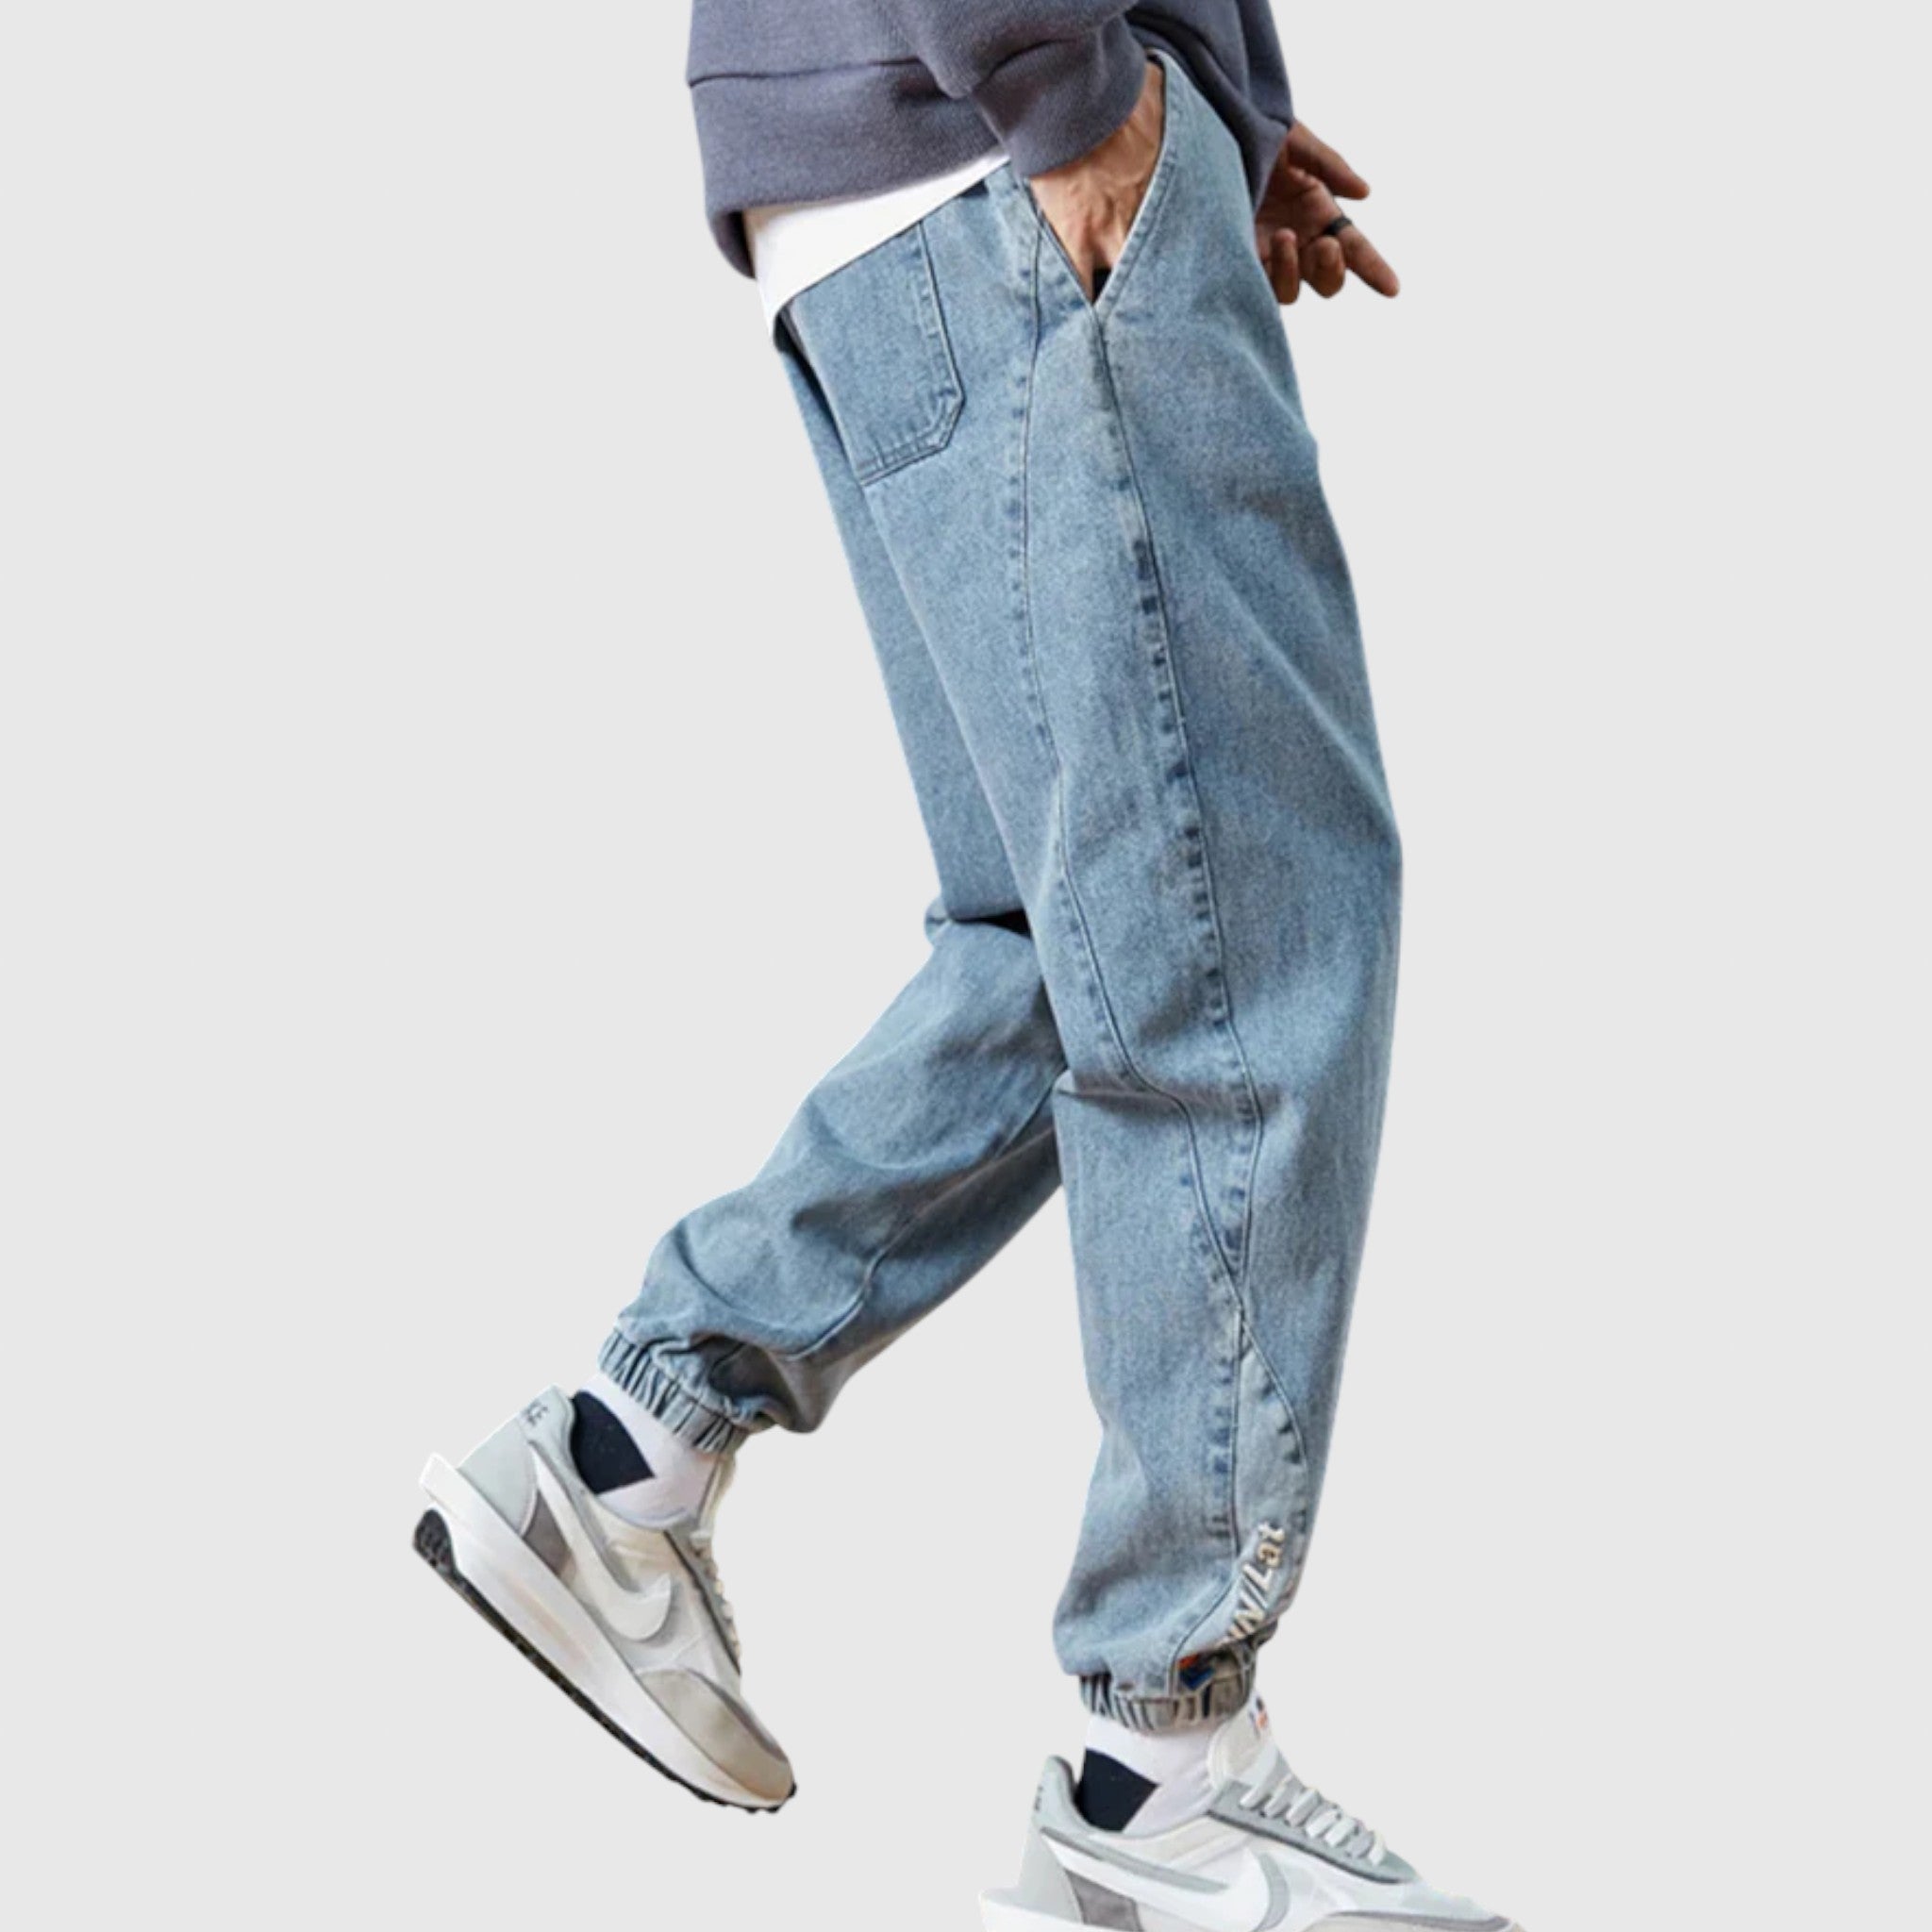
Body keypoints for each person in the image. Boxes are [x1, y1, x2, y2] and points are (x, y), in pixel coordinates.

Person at [417, 8, 1521, 1928]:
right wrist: (1065, 73)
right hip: (1000, 148)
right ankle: (1165, 1769)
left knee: (1071, 936)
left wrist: (1220, 101)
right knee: (1252, 939)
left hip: (899, 184)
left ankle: (629, 1448)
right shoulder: (1044, 105)